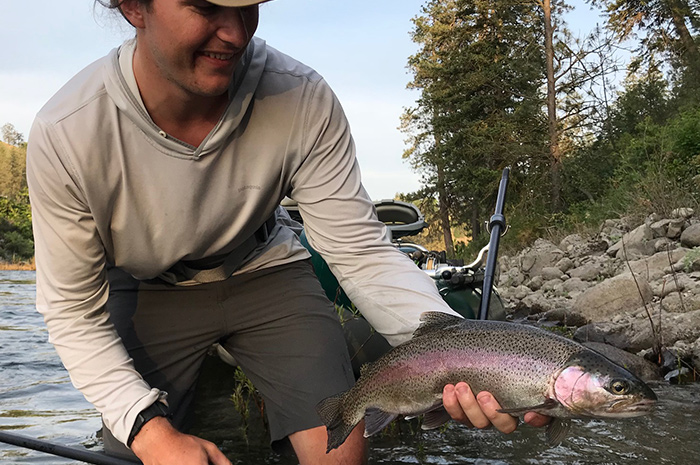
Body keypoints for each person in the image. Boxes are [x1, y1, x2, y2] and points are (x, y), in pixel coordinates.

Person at [26, 0, 550, 464]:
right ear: (132, 7)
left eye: (249, 5)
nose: (235, 32)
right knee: (137, 449)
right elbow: (72, 312)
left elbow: (360, 249)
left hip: (265, 271)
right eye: (206, 7)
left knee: (339, 443)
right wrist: (149, 431)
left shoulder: (301, 96)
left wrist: (471, 349)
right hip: (145, 289)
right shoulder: (68, 132)